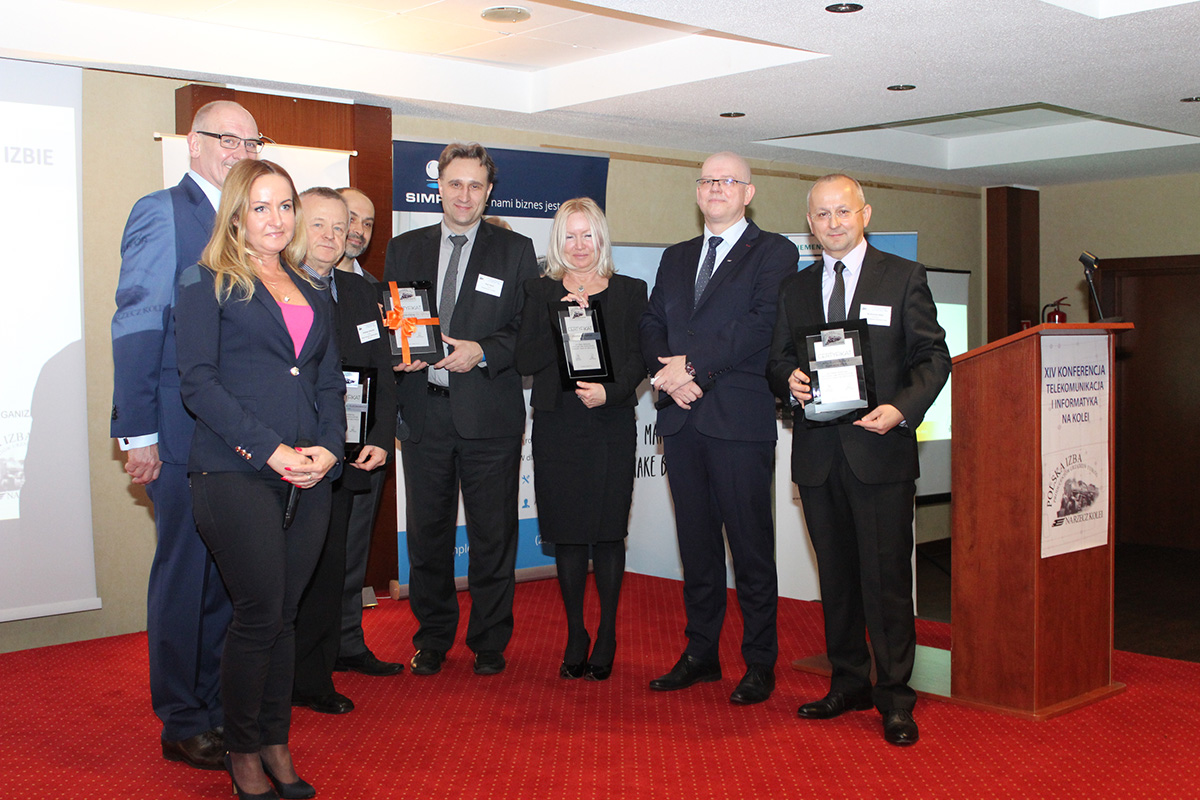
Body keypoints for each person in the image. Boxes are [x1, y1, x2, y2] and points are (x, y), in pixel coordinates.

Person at [175, 160, 345, 798]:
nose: (276, 219)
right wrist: (270, 450)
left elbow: (328, 380)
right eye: (261, 206)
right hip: (234, 470)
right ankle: (243, 751)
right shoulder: (206, 280)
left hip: (310, 474)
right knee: (258, 614)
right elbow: (198, 384)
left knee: (285, 617)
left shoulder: (310, 286)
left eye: (285, 206)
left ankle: (276, 741)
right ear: (237, 215)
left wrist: (330, 448)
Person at [767, 173, 950, 746]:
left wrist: (902, 408)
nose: (833, 223)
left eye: (842, 212)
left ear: (864, 214)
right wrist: (788, 379)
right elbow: (777, 358)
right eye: (822, 215)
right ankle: (848, 683)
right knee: (838, 579)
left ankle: (895, 698)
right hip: (818, 456)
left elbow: (933, 358)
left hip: (880, 453)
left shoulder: (903, 276)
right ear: (810, 223)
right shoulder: (795, 287)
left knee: (886, 582)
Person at [110, 99, 260, 770]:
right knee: (185, 577)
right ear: (192, 143)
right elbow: (137, 321)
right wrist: (136, 432)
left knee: (227, 580)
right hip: (176, 429)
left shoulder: (253, 221)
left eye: (251, 142)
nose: (241, 151)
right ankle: (181, 720)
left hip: (239, 432)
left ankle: (217, 706)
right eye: (228, 139)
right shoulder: (162, 212)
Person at [639, 152, 798, 705]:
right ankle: (701, 654)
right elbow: (651, 322)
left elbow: (760, 325)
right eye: (707, 180)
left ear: (748, 193)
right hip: (682, 420)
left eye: (728, 181)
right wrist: (668, 373)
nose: (716, 188)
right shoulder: (677, 256)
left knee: (750, 550)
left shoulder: (774, 252)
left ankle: (759, 662)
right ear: (697, 190)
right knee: (697, 548)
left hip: (738, 422)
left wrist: (690, 368)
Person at [384, 142, 538, 677]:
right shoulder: (403, 248)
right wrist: (399, 352)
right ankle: (432, 638)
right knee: (428, 536)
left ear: (489, 191)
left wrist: (483, 351)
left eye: (475, 185)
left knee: (493, 535)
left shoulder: (514, 250)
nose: (464, 195)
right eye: (455, 184)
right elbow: (394, 321)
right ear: (439, 188)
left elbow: (528, 332)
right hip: (423, 414)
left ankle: (490, 641)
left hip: (489, 417)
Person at [515, 198, 647, 681]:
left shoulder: (631, 291)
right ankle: (576, 632)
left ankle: (607, 632)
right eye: (569, 236)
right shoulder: (539, 291)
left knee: (608, 533)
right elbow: (524, 360)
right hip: (559, 426)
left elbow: (640, 358)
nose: (579, 245)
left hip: (610, 423)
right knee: (568, 534)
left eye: (587, 235)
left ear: (601, 238)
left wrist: (611, 392)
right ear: (558, 242)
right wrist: (558, 321)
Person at [292, 188, 400, 715]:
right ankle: (298, 674)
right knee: (301, 570)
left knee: (339, 562)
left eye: (342, 228)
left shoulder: (361, 292)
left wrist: (380, 435)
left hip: (355, 450)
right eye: (322, 224)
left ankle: (327, 663)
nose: (335, 236)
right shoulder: (277, 287)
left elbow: (383, 369)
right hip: (296, 455)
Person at [328, 187, 403, 677]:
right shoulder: (294, 282)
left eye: (367, 223)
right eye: (348, 218)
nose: (357, 230)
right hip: (312, 444)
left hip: (367, 443)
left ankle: (349, 643)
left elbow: (387, 370)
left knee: (355, 548)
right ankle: (311, 651)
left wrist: (380, 434)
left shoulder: (377, 292)